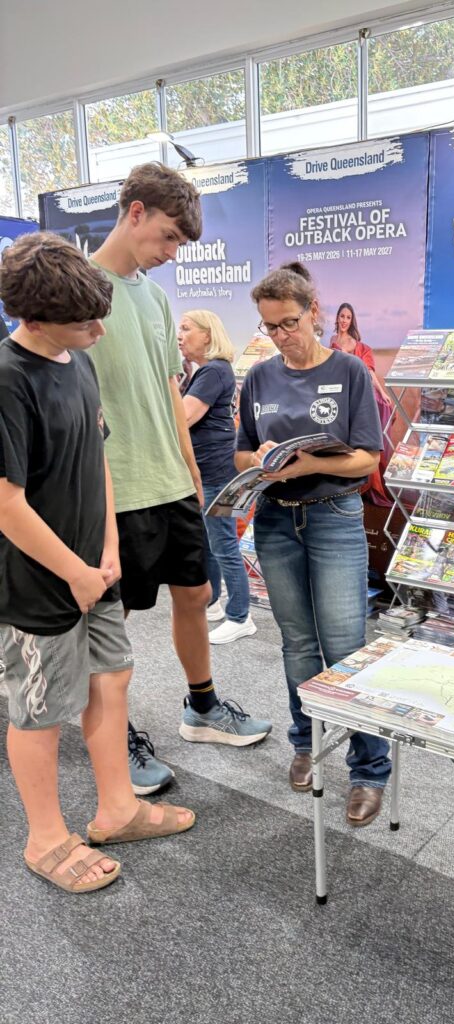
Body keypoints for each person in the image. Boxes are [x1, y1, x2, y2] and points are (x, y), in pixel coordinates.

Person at [0, 233, 193, 893]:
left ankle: (118, 808)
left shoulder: (77, 360)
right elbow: (7, 504)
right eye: (85, 320)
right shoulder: (6, 380)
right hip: (36, 585)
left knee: (112, 679)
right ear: (34, 317)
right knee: (40, 710)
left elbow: (96, 457)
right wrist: (75, 571)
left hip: (94, 569)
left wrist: (106, 551)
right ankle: (46, 839)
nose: (98, 328)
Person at [89, 163, 271, 795]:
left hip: (171, 481)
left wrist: (192, 472)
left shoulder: (157, 297)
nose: (170, 254)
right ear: (134, 211)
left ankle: (202, 707)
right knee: (112, 626)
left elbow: (171, 391)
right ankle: (116, 740)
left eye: (179, 245)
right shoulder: (79, 289)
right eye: (167, 237)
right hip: (113, 488)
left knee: (194, 595)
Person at [237, 265, 391, 827]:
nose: (281, 335)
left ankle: (369, 769)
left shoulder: (349, 370)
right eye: (270, 326)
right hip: (276, 519)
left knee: (348, 647)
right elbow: (240, 454)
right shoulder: (258, 377)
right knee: (297, 643)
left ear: (315, 312)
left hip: (333, 518)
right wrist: (260, 464)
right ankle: (306, 741)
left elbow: (366, 458)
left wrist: (306, 462)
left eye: (289, 323)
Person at [177, 309, 256, 645]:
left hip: (217, 470)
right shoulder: (205, 372)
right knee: (209, 541)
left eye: (186, 328)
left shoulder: (213, 371)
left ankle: (241, 615)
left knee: (222, 542)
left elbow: (182, 417)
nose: (179, 335)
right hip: (210, 469)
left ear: (207, 335)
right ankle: (213, 602)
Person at [329, 299, 393, 506]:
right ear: (337, 318)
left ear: (352, 320)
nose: (344, 320)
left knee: (375, 412)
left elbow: (369, 372)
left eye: (348, 317)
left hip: (359, 391)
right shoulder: (332, 341)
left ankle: (369, 482)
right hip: (339, 393)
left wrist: (382, 392)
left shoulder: (360, 347)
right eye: (342, 316)